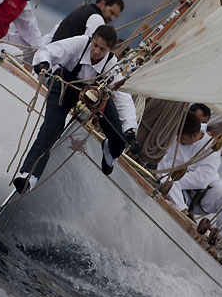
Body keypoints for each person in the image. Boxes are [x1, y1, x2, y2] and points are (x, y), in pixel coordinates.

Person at [13, 25, 140, 193]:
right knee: (51, 129)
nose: (96, 51)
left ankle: (110, 150)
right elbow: (48, 51)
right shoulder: (80, 43)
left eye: (102, 49)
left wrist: (131, 130)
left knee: (119, 135)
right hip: (65, 87)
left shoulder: (111, 64)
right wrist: (42, 63)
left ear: (109, 50)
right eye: (95, 45)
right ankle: (28, 176)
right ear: (92, 39)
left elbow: (124, 99)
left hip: (94, 95)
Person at [159, 112, 222, 237]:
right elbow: (161, 165)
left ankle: (220, 238)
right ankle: (183, 213)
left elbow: (202, 180)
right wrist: (175, 179)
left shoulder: (211, 148)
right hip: (174, 190)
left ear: (195, 135)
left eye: (182, 138)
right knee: (167, 181)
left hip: (202, 194)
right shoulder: (174, 136)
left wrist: (178, 178)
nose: (179, 139)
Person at [51, 0, 124, 42]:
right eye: (111, 12)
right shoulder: (96, 18)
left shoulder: (84, 10)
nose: (112, 18)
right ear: (102, 4)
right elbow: (90, 46)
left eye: (115, 16)